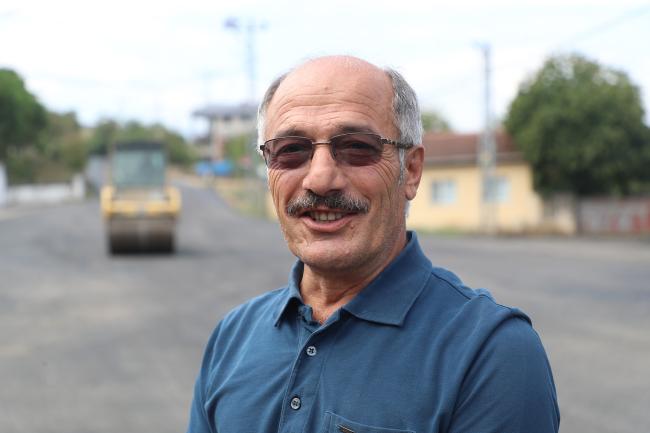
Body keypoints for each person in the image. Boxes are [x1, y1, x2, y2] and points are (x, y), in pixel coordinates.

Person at [187, 55, 560, 433]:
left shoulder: (490, 353)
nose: (320, 179)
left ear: (410, 170)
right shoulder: (232, 339)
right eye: (291, 150)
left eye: (356, 147)